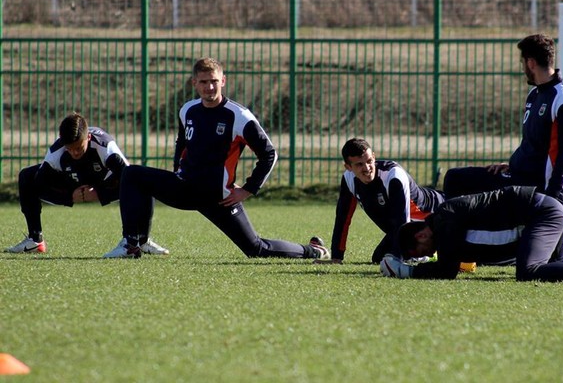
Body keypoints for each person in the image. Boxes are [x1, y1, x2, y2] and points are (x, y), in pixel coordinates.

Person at [102, 57, 329, 259]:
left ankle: (314, 251)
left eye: (214, 81)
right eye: (203, 82)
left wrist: (248, 189)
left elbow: (269, 154)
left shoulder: (239, 116)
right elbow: (182, 143)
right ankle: (134, 243)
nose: (209, 87)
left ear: (223, 81)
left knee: (256, 249)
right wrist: (177, 170)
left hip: (217, 196)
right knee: (133, 175)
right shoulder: (187, 110)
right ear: (194, 83)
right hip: (184, 189)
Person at [380, 186, 563, 284]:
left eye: (420, 253)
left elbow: (447, 269)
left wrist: (407, 272)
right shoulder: (446, 223)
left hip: (541, 213)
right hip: (543, 210)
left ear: (422, 236)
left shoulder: (446, 219)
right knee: (554, 264)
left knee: (530, 270)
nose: (427, 255)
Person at [443, 34, 563, 211]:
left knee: (459, 184)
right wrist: (513, 165)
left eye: (522, 62)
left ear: (530, 63)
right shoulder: (534, 94)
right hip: (518, 176)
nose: (522, 67)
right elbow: (534, 145)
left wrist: (551, 201)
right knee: (455, 178)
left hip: (538, 187)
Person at [4, 113, 169, 256]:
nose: (75, 152)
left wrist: (100, 193)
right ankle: (35, 240)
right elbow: (40, 185)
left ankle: (140, 241)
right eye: (70, 149)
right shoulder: (56, 153)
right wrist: (69, 197)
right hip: (71, 183)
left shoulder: (105, 147)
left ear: (88, 138)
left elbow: (129, 178)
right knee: (26, 176)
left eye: (79, 147)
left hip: (108, 184)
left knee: (143, 180)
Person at [321, 137, 475, 271]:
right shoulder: (348, 179)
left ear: (374, 157)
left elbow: (402, 222)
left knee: (476, 251)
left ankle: (436, 253)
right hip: (408, 225)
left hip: (440, 213)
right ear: (348, 167)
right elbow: (343, 218)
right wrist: (336, 256)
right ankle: (435, 251)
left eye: (369, 161)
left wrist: (397, 259)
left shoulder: (393, 176)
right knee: (379, 258)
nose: (367, 168)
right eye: (359, 165)